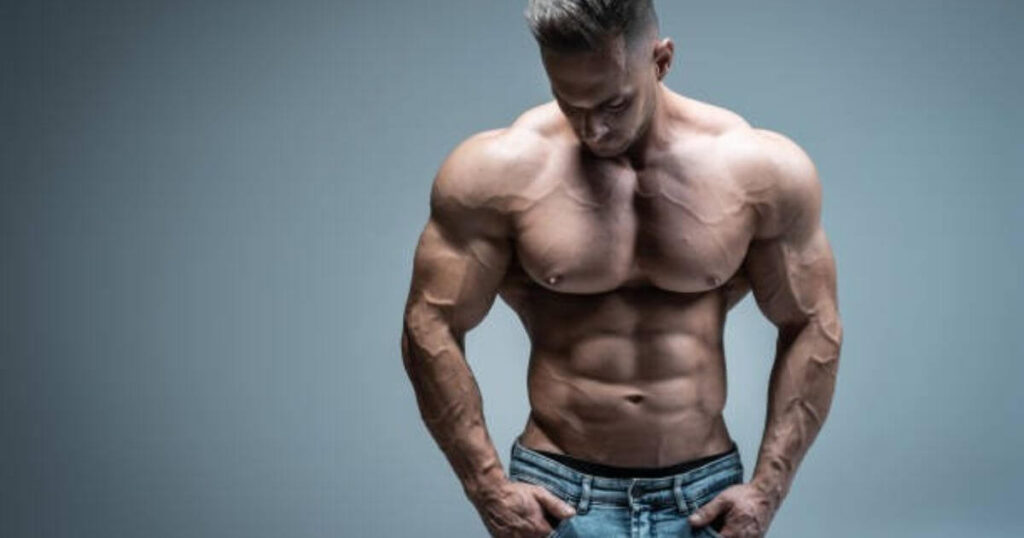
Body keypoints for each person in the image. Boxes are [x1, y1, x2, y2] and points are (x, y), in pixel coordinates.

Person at [400, 1, 843, 536]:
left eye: (613, 103)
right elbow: (430, 323)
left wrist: (767, 490)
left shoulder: (757, 170)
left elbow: (813, 323)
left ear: (661, 61)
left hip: (705, 498)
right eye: (570, 102)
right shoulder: (498, 172)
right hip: (557, 498)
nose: (593, 129)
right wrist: (487, 486)